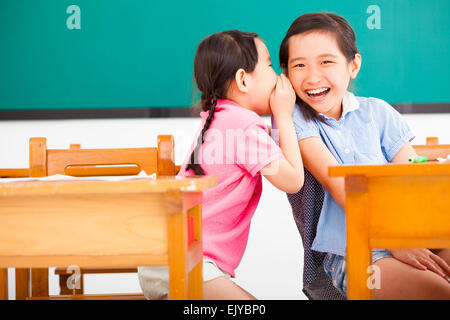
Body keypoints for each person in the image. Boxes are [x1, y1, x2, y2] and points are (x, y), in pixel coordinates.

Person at [276, 12, 450, 299]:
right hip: (350, 255)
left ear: (353, 65)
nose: (312, 76)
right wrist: (391, 240)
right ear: (285, 73)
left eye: (326, 61)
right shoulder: (296, 121)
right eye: (299, 65)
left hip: (409, 236)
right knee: (438, 292)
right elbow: (341, 185)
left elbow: (413, 180)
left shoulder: (378, 112)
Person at [138, 30, 303, 300]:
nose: (277, 76)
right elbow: (293, 180)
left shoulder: (219, 118)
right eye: (270, 65)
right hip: (187, 262)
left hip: (165, 258)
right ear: (243, 80)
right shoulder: (243, 125)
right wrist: (283, 115)